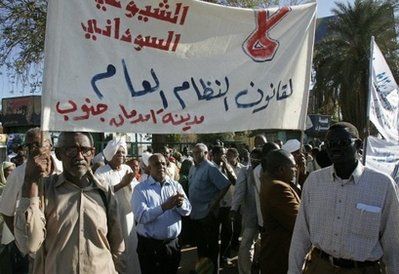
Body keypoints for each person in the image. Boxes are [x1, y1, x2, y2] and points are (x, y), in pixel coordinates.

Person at [288, 122, 399, 274]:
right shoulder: (314, 182)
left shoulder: (382, 185)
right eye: (330, 144)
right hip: (320, 267)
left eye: (343, 142)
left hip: (362, 269)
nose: (335, 147)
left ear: (359, 145)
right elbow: (301, 235)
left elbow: (393, 244)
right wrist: (293, 270)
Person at [14, 132, 125, 274]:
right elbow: (29, 244)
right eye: (71, 150)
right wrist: (31, 181)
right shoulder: (44, 189)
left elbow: (118, 247)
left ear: (92, 153)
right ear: (59, 154)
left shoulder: (105, 192)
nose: (79, 156)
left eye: (85, 150)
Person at [132, 153, 191, 274]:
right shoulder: (140, 189)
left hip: (172, 245)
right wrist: (164, 207)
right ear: (149, 168)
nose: (161, 166)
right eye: (156, 164)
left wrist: (180, 205)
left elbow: (188, 210)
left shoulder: (176, 186)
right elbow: (141, 216)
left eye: (163, 163)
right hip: (150, 247)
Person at [95, 139, 141, 274]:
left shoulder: (127, 169)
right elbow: (100, 194)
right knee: (115, 249)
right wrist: (121, 184)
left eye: (123, 152)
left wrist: (131, 184)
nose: (121, 155)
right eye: (118, 152)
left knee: (132, 248)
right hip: (112, 216)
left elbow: (135, 188)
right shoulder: (101, 172)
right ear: (110, 154)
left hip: (129, 216)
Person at [188, 143, 233, 274]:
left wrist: (213, 204)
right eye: (194, 152)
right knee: (201, 247)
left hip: (208, 215)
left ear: (206, 153)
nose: (195, 154)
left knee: (212, 248)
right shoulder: (193, 168)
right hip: (195, 214)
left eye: (198, 152)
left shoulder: (210, 168)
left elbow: (225, 185)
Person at [259, 149, 300, 274]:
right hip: (279, 255)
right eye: (293, 167)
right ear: (281, 169)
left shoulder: (270, 182)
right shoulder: (278, 188)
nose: (295, 170)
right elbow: (298, 222)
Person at [230, 148, 262, 274]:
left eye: (257, 159)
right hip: (251, 216)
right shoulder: (245, 171)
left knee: (255, 243)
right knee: (245, 246)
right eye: (252, 159)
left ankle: (255, 265)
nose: (254, 161)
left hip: (266, 218)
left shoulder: (267, 171)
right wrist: (234, 208)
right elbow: (239, 191)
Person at [211, 145, 238, 267]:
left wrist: (226, 167)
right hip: (215, 206)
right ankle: (213, 259)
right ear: (215, 155)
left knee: (228, 232)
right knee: (214, 233)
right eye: (222, 154)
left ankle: (224, 257)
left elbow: (234, 181)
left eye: (225, 154)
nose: (224, 156)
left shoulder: (228, 166)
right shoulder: (210, 167)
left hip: (228, 205)